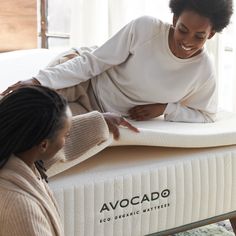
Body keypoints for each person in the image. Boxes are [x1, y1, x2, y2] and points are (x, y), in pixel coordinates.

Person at [2, 0, 233, 123]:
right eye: (183, 30)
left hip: (103, 115)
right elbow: (92, 63)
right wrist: (38, 79)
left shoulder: (204, 70)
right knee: (23, 105)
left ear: (211, 34)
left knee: (43, 131)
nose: (188, 41)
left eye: (199, 36)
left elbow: (206, 115)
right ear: (174, 19)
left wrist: (165, 109)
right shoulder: (146, 28)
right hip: (85, 82)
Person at [0, 86, 137, 236]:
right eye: (66, 134)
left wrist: (98, 121)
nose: (67, 139)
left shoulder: (13, 153)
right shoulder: (22, 210)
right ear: (44, 144)